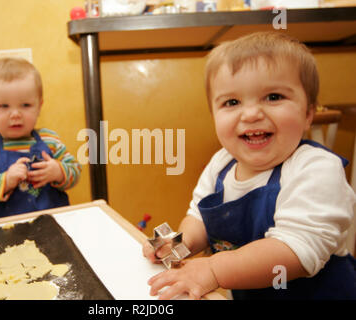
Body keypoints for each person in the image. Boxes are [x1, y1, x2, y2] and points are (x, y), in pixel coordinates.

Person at [143, 32, 355, 300]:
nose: (252, 114)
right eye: (232, 102)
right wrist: (178, 245)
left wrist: (214, 269)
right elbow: (199, 219)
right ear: (213, 115)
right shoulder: (221, 163)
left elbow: (294, 251)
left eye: (274, 97)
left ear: (308, 113)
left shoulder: (316, 169)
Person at [0, 57, 81, 221]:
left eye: (26, 105)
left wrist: (59, 172)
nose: (15, 114)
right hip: (2, 234)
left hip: (52, 227)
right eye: (4, 106)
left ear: (39, 107)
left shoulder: (50, 140)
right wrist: (5, 181)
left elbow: (75, 171)